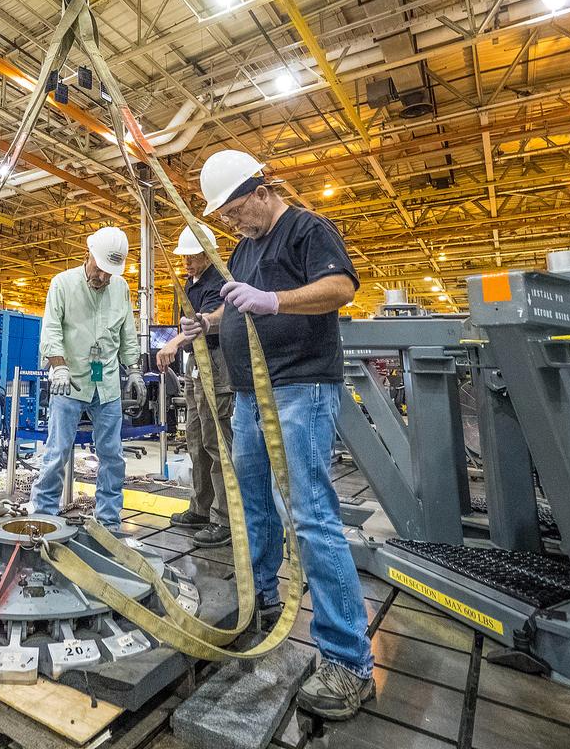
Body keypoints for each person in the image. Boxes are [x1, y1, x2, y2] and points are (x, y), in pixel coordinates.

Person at [182, 149, 374, 720]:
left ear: (262, 190)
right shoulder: (244, 247)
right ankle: (262, 596)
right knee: (251, 503)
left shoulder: (307, 229)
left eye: (239, 210)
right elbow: (238, 309)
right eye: (228, 217)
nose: (235, 223)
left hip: (299, 389)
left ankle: (348, 663)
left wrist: (274, 300)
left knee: (310, 513)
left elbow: (341, 288)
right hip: (248, 395)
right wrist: (210, 322)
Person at [32, 226, 143, 529]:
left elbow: (127, 332)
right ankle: (43, 515)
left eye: (110, 273)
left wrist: (133, 369)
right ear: (88, 254)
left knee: (112, 456)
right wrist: (59, 366)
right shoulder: (62, 284)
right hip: (70, 381)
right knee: (57, 453)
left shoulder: (120, 287)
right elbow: (52, 329)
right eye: (100, 270)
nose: (104, 278)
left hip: (106, 383)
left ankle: (108, 520)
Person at [156, 224, 232, 548]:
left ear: (205, 253)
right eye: (183, 257)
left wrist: (172, 343)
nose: (185, 262)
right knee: (196, 439)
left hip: (216, 363)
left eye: (191, 256)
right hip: (196, 366)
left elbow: (207, 320)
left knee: (218, 444)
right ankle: (202, 509)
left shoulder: (220, 281)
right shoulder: (189, 283)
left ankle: (225, 520)